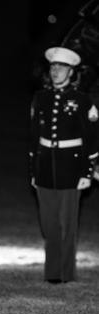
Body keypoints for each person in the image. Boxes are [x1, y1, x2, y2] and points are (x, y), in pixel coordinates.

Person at [29, 46, 98, 283]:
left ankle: (65, 273)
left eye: (62, 67)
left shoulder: (82, 101)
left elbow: (91, 138)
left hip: (72, 168)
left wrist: (88, 171)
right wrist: (33, 170)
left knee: (67, 224)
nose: (56, 71)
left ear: (71, 72)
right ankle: (52, 272)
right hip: (45, 167)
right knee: (48, 223)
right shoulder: (40, 98)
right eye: (53, 67)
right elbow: (34, 136)